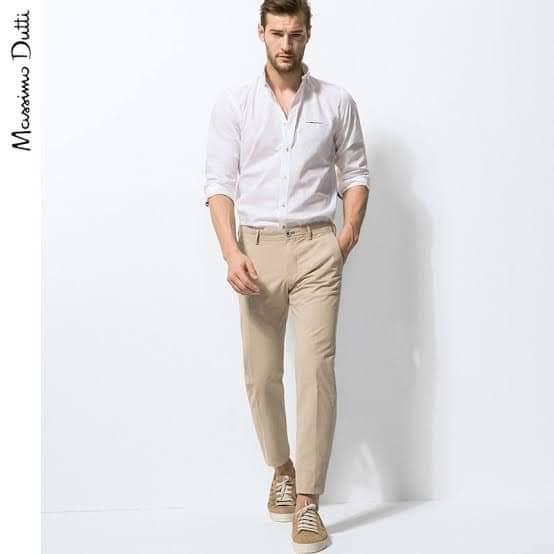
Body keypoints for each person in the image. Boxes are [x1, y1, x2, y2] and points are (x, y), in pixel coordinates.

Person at [203, 1, 369, 551]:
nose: (286, 44)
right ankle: (282, 467)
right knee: (261, 375)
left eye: (295, 34)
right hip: (256, 248)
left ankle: (308, 503)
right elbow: (219, 183)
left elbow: (356, 171)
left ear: (308, 34)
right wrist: (231, 253)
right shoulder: (235, 104)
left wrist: (347, 233)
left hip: (318, 245)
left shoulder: (336, 102)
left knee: (316, 370)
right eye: (277, 33)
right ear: (261, 33)